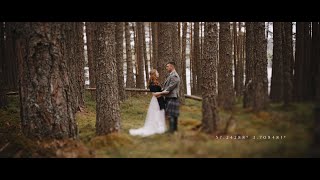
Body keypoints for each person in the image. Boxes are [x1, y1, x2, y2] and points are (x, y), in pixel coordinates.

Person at [129, 69, 166, 137]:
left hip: (159, 99)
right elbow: (154, 94)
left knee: (160, 113)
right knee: (157, 113)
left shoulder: (156, 82)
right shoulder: (152, 83)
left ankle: (160, 126)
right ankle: (157, 127)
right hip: (156, 100)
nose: (158, 73)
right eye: (157, 72)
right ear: (154, 74)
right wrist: (163, 92)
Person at [153, 62, 180, 133]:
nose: (166, 68)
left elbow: (168, 89)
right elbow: (166, 88)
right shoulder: (171, 75)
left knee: (171, 115)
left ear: (171, 67)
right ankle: (174, 130)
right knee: (172, 115)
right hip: (169, 97)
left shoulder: (174, 76)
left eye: (167, 66)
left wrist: (159, 93)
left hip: (172, 97)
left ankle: (172, 131)